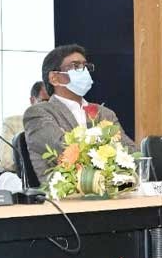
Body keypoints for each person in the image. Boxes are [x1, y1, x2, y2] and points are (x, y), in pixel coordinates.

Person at [23, 44, 135, 184]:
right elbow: (65, 150)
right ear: (54, 78)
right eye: (75, 66)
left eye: (85, 66)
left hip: (113, 188)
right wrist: (106, 146)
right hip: (65, 192)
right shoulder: (38, 113)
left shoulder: (105, 113)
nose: (84, 71)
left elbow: (131, 152)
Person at [0, 80, 49, 173]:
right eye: (44, 101)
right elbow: (7, 162)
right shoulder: (12, 123)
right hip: (14, 175)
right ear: (32, 100)